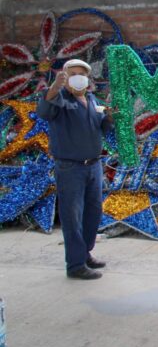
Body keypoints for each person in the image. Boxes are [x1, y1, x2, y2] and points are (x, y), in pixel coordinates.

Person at [36, 59, 114, 280]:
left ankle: (85, 253)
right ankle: (75, 265)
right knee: (72, 216)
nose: (79, 77)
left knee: (93, 212)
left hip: (93, 165)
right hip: (70, 167)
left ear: (88, 78)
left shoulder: (91, 100)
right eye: (74, 73)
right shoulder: (60, 99)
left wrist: (109, 117)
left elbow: (102, 127)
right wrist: (54, 87)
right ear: (65, 76)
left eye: (82, 73)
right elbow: (43, 111)